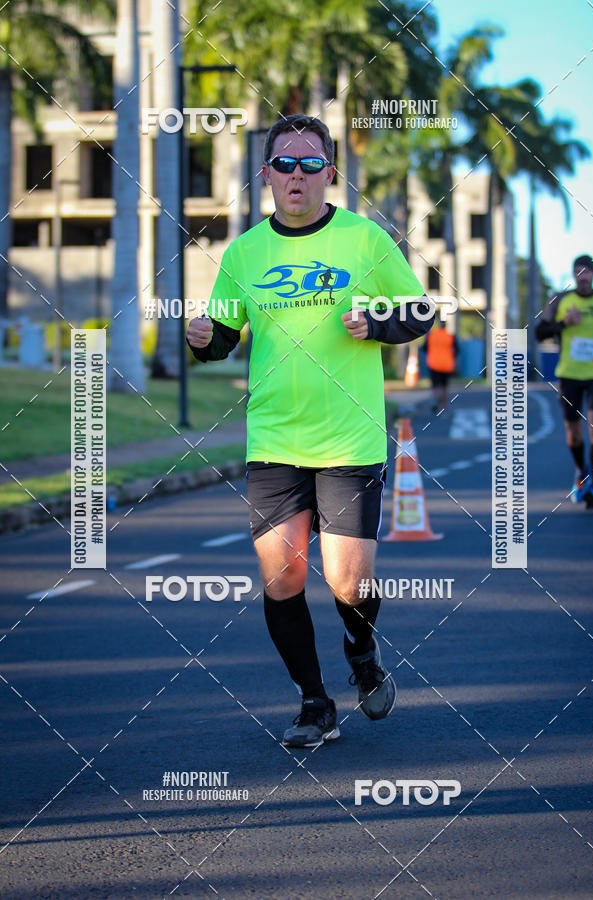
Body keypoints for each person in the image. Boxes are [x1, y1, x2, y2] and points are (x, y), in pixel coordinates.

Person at [186, 114, 433, 748]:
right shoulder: (243, 251)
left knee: (348, 582)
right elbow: (224, 338)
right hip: (273, 440)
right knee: (284, 579)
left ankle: (362, 652)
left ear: (330, 172)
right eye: (284, 164)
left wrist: (376, 322)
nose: (296, 176)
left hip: (348, 437)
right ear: (266, 174)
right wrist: (204, 338)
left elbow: (418, 312)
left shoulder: (365, 240)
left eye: (309, 164)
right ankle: (314, 702)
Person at [535, 254, 593, 508]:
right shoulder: (561, 301)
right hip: (569, 375)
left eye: (587, 272)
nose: (583, 277)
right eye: (578, 272)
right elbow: (540, 332)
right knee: (573, 435)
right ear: (574, 275)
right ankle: (581, 472)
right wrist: (564, 323)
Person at [424, 317, 459, 412]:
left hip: (433, 363)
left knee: (435, 385)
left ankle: (434, 399)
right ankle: (443, 407)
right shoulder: (450, 337)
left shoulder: (431, 335)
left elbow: (424, 348)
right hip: (447, 365)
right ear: (446, 326)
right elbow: (456, 351)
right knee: (445, 386)